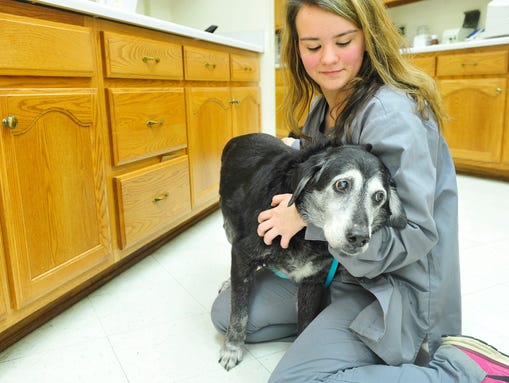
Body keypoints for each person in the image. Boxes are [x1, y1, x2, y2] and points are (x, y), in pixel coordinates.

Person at [211, 0, 509, 382]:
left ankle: (462, 370)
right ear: (296, 48)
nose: (328, 59)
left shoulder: (390, 116)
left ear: (368, 38)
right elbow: (317, 161)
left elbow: (414, 233)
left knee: (296, 380)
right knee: (226, 314)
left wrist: (305, 218)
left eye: (343, 41)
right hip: (343, 271)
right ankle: (335, 343)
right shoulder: (324, 105)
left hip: (392, 289)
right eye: (313, 46)